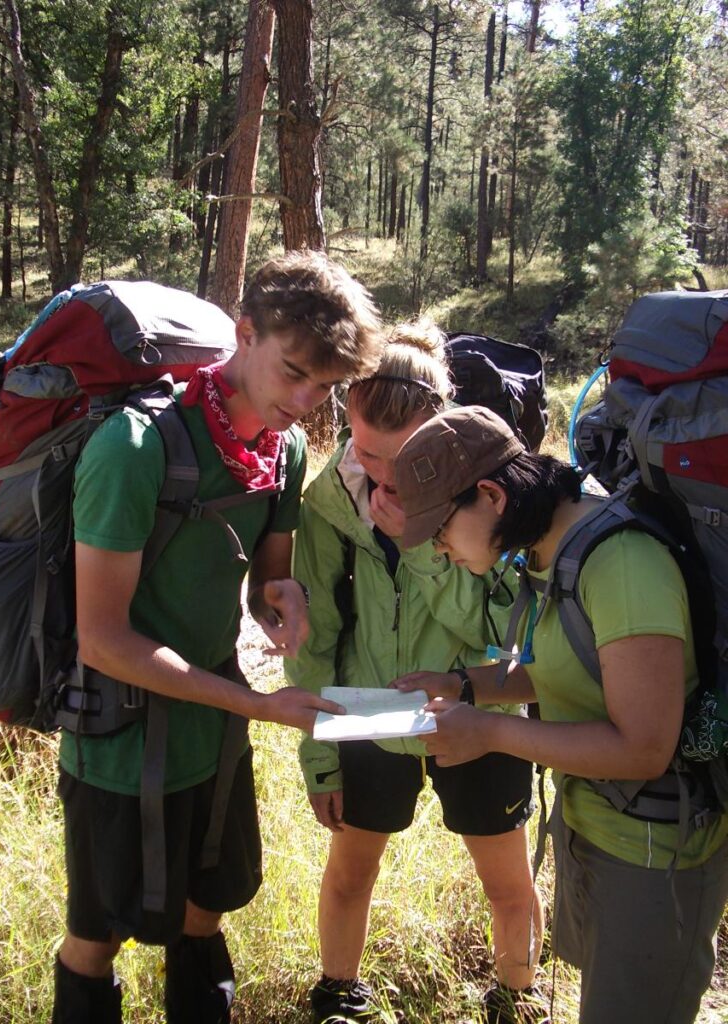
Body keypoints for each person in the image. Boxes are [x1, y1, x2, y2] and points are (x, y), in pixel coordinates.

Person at [51, 251, 384, 1024]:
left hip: (215, 733)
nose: (304, 400)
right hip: (116, 740)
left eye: (325, 387)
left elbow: (269, 574)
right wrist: (258, 705)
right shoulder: (133, 451)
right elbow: (102, 640)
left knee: (205, 914)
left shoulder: (282, 448)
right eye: (294, 370)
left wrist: (283, 597)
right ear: (243, 332)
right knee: (96, 935)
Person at [392, 405, 728, 1024]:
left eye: (439, 529)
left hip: (654, 853)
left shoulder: (621, 563)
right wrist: (462, 684)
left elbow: (645, 746)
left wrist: (491, 732)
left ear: (490, 495)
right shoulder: (551, 552)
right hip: (596, 830)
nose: (438, 549)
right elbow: (571, 663)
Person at [286, 324, 546, 1024]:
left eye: (401, 459)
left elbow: (503, 630)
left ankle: (517, 998)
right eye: (363, 449)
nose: (379, 473)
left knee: (507, 885)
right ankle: (339, 996)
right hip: (368, 705)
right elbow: (315, 634)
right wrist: (319, 754)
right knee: (350, 873)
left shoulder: (487, 487)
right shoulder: (329, 502)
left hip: (477, 707)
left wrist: (420, 548)